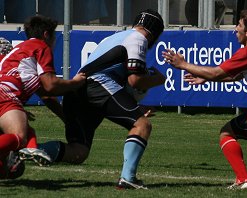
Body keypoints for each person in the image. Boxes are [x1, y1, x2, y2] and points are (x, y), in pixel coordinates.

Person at [163, 9, 247, 189]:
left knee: (226, 132)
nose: (235, 29)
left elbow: (216, 72)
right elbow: (237, 75)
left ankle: (243, 180)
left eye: (239, 25)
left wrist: (183, 64)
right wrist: (206, 78)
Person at [36, 9, 165, 189]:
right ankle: (128, 178)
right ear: (155, 33)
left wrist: (133, 105)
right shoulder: (139, 39)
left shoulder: (113, 38)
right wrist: (160, 80)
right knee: (142, 125)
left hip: (77, 90)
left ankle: (31, 150)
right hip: (98, 85)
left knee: (78, 152)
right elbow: (134, 80)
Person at [0, 15, 86, 179]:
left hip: (5, 96)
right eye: (54, 36)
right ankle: (30, 148)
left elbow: (46, 95)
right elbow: (51, 85)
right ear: (47, 34)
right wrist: (75, 82)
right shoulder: (40, 46)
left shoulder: (21, 52)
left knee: (8, 169)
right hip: (5, 95)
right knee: (20, 137)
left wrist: (67, 119)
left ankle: (31, 150)